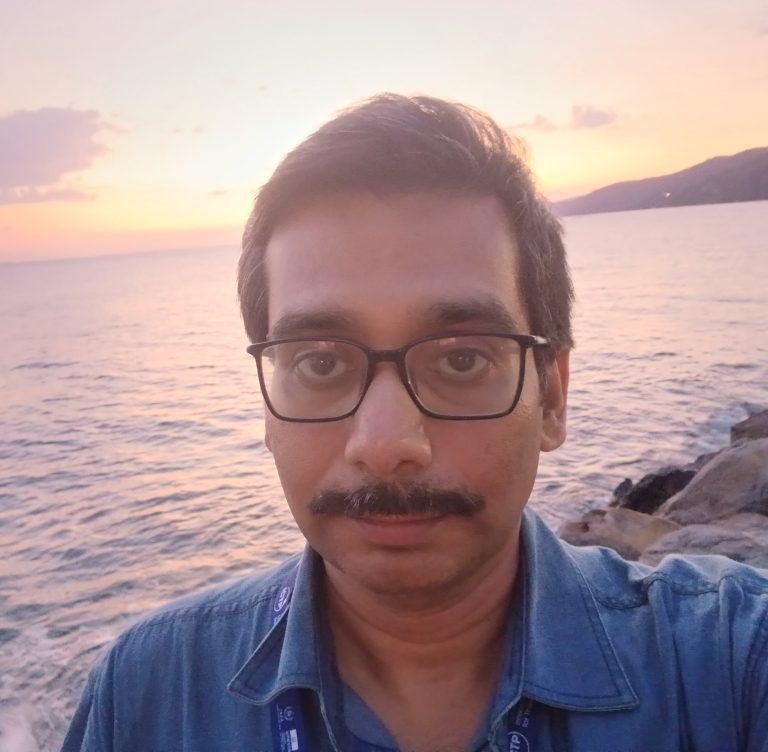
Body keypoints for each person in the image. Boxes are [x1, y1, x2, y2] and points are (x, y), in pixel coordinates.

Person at [63, 94, 768, 752]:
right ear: (269, 408)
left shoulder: (728, 661)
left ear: (551, 397)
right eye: (319, 363)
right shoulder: (148, 693)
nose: (385, 445)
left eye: (462, 359)